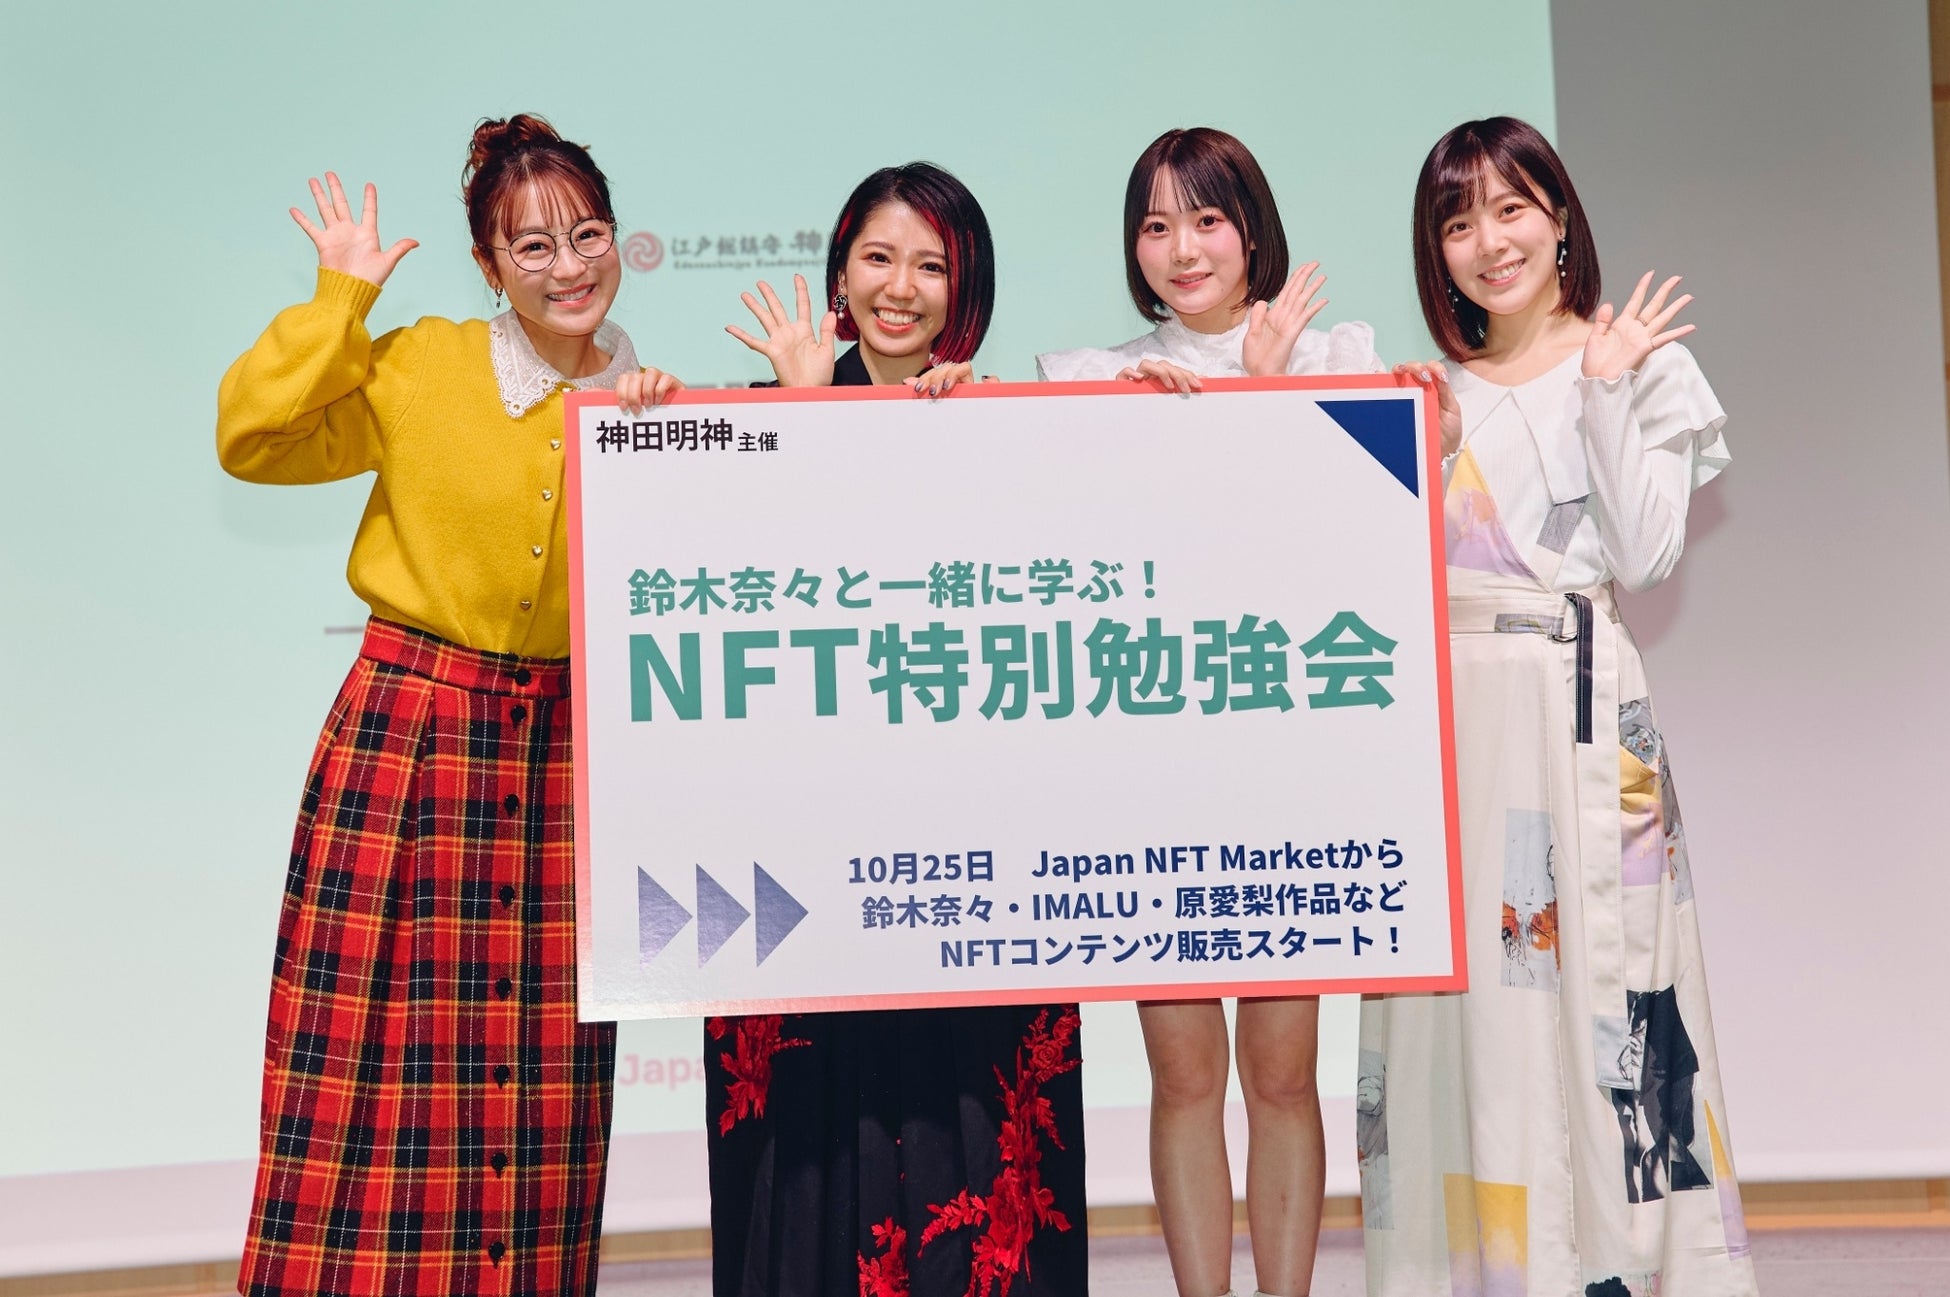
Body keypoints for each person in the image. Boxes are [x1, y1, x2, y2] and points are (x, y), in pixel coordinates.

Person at [216, 114, 678, 1296]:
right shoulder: (423, 362)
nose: (569, 266)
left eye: (588, 235)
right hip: (411, 744)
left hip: (563, 760)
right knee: (365, 1073)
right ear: (488, 265)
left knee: (541, 1090)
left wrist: (675, 443)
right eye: (534, 247)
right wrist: (339, 300)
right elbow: (253, 439)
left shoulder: (651, 404)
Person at [644, 163, 1089, 1297]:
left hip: (969, 858)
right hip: (803, 857)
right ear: (839, 274)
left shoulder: (1014, 425)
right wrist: (798, 418)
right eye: (879, 258)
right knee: (811, 1149)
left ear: (966, 286)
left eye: (932, 264)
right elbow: (722, 593)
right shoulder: (756, 414)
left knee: (970, 1134)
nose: (902, 287)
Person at [1363, 116, 1755, 1295]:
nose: (1490, 241)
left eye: (1511, 208)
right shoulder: (1421, 392)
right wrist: (1420, 456)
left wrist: (1603, 391)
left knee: (1613, 996)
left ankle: (1626, 1269)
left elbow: (1642, 558)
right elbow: (1370, 588)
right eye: (1459, 221)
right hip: (1452, 732)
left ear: (1560, 218)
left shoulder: (1638, 363)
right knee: (1463, 1018)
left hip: (1580, 718)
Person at [1037, 127, 1384, 1297]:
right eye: (1156, 224)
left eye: (1206, 219)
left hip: (1291, 760)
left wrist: (1271, 396)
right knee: (1183, 1075)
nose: (1182, 248)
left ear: (1252, 231)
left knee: (1283, 1075)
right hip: (1158, 768)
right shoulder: (1090, 377)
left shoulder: (1335, 355)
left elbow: (1355, 544)